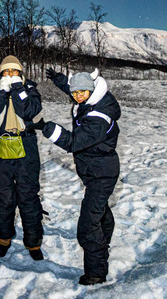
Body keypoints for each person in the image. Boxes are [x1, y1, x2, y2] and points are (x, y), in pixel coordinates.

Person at [38, 68, 120, 286]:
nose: (77, 96)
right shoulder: (93, 97)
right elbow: (76, 89)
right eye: (75, 93)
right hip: (95, 169)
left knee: (87, 226)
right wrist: (60, 80)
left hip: (101, 173)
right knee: (99, 211)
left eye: (82, 92)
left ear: (91, 91)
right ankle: (104, 239)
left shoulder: (98, 118)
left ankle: (96, 273)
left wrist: (48, 128)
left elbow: (74, 142)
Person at [0, 55, 45, 260]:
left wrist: (17, 88)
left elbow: (29, 110)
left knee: (28, 196)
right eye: (6, 71)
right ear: (1, 74)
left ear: (20, 73)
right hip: (1, 149)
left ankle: (33, 242)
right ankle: (4, 237)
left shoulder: (30, 90)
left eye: (14, 71)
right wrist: (1, 92)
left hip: (25, 148)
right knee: (3, 196)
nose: (9, 74)